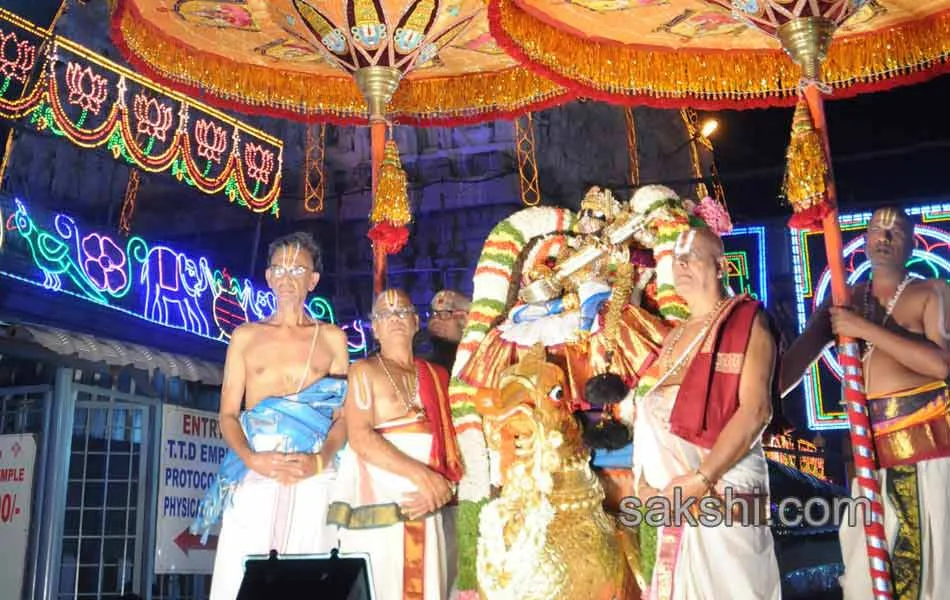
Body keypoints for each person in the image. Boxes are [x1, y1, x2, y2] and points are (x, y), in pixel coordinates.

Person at [781, 205, 950, 599]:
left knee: (924, 574)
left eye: (895, 231)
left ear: (912, 242)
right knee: (863, 576)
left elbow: (942, 364)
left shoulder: (931, 292)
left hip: (923, 453)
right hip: (867, 457)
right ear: (864, 239)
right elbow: (790, 370)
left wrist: (862, 328)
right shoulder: (845, 299)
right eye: (877, 229)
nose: (884, 237)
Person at [193, 232, 350, 600]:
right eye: (279, 268)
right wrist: (251, 459)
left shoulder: (331, 338)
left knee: (311, 574)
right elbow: (229, 414)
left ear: (313, 280)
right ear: (268, 277)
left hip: (312, 470)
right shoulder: (245, 336)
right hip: (256, 466)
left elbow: (342, 418)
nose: (287, 276)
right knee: (244, 572)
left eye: (298, 269)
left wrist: (319, 459)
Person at [632, 227, 781, 600]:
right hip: (674, 503)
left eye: (692, 256)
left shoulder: (747, 321)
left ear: (721, 266)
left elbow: (757, 409)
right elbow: (653, 415)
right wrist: (643, 484)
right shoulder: (674, 335)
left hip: (722, 490)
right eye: (676, 259)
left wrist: (701, 478)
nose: (680, 264)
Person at [328, 288, 463, 600]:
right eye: (384, 314)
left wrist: (443, 487)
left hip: (431, 502)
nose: (394, 319)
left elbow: (453, 442)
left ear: (416, 322)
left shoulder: (438, 375)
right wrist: (423, 477)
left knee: (432, 585)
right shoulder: (363, 371)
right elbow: (360, 437)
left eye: (402, 312)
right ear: (374, 327)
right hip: (385, 504)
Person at [421, 289, 470, 372]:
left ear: (463, 319)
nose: (435, 320)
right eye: (433, 314)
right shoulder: (421, 347)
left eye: (445, 314)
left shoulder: (472, 356)